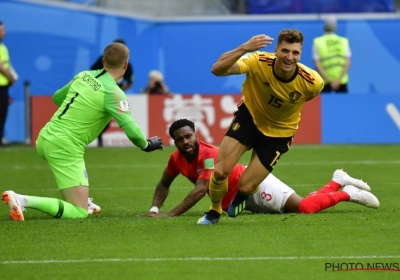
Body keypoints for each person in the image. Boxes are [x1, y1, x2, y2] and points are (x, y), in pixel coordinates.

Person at [1, 42, 163, 221]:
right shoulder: (114, 93)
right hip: (65, 147)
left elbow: (57, 98)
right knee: (78, 213)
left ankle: (84, 200)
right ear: (125, 65)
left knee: (79, 194)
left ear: (103, 61)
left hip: (46, 137)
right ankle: (22, 200)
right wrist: (147, 145)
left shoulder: (83, 75)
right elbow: (131, 130)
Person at [143, 119, 379, 222]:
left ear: (196, 135)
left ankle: (348, 193)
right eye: (180, 139)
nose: (186, 142)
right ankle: (336, 181)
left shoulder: (208, 154)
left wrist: (170, 214)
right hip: (238, 203)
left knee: (305, 208)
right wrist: (155, 208)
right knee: (300, 208)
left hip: (253, 185)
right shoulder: (176, 159)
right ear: (174, 142)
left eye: (189, 136)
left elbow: (200, 189)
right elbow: (164, 183)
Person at [200, 29, 324, 224]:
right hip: (249, 119)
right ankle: (214, 210)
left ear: (300, 55)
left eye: (295, 53)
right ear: (276, 50)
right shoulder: (258, 61)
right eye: (285, 51)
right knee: (220, 171)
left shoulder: (312, 82)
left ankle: (247, 192)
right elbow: (217, 69)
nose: (289, 57)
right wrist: (244, 48)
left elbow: (309, 96)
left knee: (246, 186)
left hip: (279, 134)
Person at [91, 39, 135, 147]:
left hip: (115, 94)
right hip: (100, 92)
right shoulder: (101, 61)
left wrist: (119, 91)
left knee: (110, 118)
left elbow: (130, 82)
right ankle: (96, 136)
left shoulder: (128, 66)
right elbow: (92, 72)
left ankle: (99, 136)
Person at [312, 15, 351, 93]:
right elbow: (347, 63)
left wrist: (330, 81)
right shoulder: (343, 41)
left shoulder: (318, 42)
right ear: (335, 27)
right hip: (341, 81)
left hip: (325, 82)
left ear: (324, 26)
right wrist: (338, 81)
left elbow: (317, 65)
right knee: (343, 104)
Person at [0, 21, 16, 146]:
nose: (3, 33)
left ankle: (1, 137)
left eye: (3, 30)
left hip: (4, 85)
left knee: (3, 112)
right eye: (1, 30)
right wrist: (10, 77)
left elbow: (7, 65)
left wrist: (12, 77)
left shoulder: (3, 47)